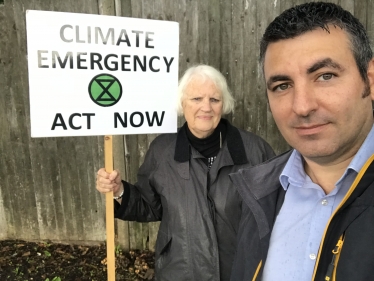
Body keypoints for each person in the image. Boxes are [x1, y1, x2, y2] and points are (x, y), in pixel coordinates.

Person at [230, 2, 374, 281]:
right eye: (283, 86)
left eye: (325, 76)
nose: (302, 106)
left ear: (369, 79)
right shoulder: (257, 194)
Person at [96, 64, 275, 281]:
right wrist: (119, 190)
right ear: (182, 103)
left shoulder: (254, 151)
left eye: (214, 100)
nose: (206, 107)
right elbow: (149, 205)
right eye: (196, 99)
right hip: (179, 271)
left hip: (240, 271)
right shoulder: (162, 151)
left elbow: (274, 214)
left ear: (224, 104)